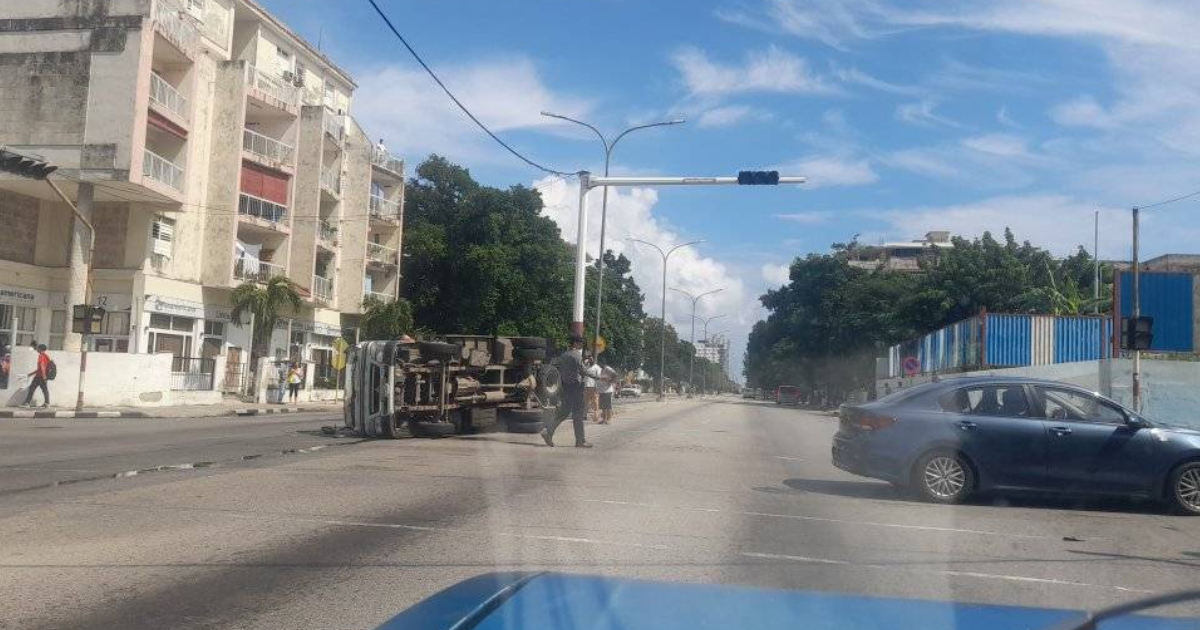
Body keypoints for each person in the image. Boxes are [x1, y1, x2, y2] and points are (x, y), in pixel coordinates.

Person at [541, 334, 598, 448]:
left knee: (564, 411)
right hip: (576, 387)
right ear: (576, 343)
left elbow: (568, 369)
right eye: (581, 342)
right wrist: (599, 376)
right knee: (578, 413)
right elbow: (583, 371)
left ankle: (549, 431)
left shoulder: (564, 355)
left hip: (566, 386)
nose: (582, 345)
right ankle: (580, 441)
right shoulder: (576, 355)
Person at [22, 344, 51, 408]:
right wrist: (31, 374)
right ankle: (47, 403)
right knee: (44, 390)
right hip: (42, 376)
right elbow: (40, 368)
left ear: (40, 349)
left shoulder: (41, 356)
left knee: (32, 388)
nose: (37, 349)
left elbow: (42, 366)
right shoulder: (46, 356)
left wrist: (43, 376)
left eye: (38, 348)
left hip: (39, 376)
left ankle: (27, 403)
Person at [583, 354, 599, 422]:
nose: (590, 360)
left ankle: (596, 416)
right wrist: (585, 363)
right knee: (585, 402)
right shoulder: (587, 367)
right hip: (586, 387)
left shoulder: (597, 367)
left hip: (593, 387)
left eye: (591, 359)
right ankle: (584, 415)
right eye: (589, 359)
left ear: (594, 360)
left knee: (595, 402)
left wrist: (597, 387)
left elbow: (598, 378)